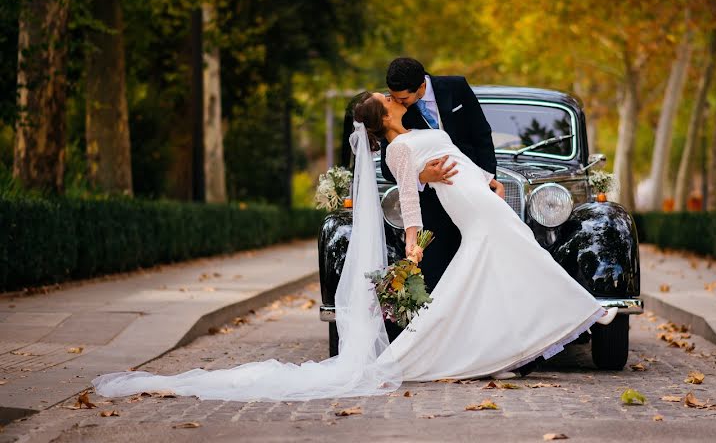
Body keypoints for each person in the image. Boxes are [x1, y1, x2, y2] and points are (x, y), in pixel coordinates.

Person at [91, 92, 615, 402]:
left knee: (506, 257)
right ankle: (585, 309)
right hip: (470, 210)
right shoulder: (399, 150)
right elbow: (410, 197)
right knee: (511, 255)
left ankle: (513, 338)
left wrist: (490, 179)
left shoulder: (420, 130)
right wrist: (412, 242)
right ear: (384, 116)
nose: (396, 97)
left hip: (485, 198)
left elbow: (458, 158)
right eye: (390, 99)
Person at [381, 57, 498, 289]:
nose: (396, 102)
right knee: (436, 277)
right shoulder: (392, 115)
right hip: (432, 209)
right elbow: (388, 168)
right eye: (393, 96)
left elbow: (482, 135)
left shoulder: (456, 87)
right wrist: (423, 177)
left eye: (402, 98)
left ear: (421, 87)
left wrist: (487, 180)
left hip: (471, 197)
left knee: (482, 269)